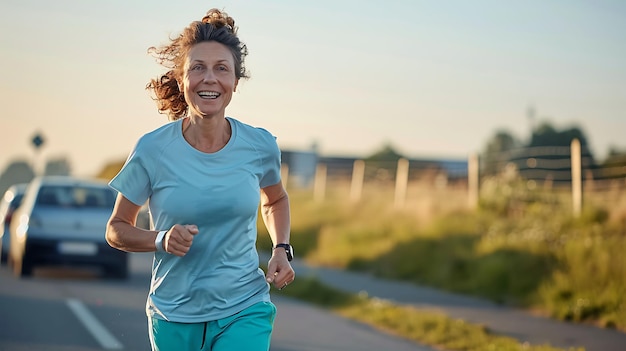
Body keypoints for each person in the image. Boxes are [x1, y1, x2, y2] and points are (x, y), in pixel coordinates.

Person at [105, 8, 295, 351]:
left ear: (235, 81)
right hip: (174, 313)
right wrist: (161, 239)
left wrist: (281, 248)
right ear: (181, 79)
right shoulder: (152, 149)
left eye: (222, 68)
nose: (210, 78)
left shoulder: (260, 145)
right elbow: (117, 227)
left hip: (245, 306)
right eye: (198, 68)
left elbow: (276, 199)